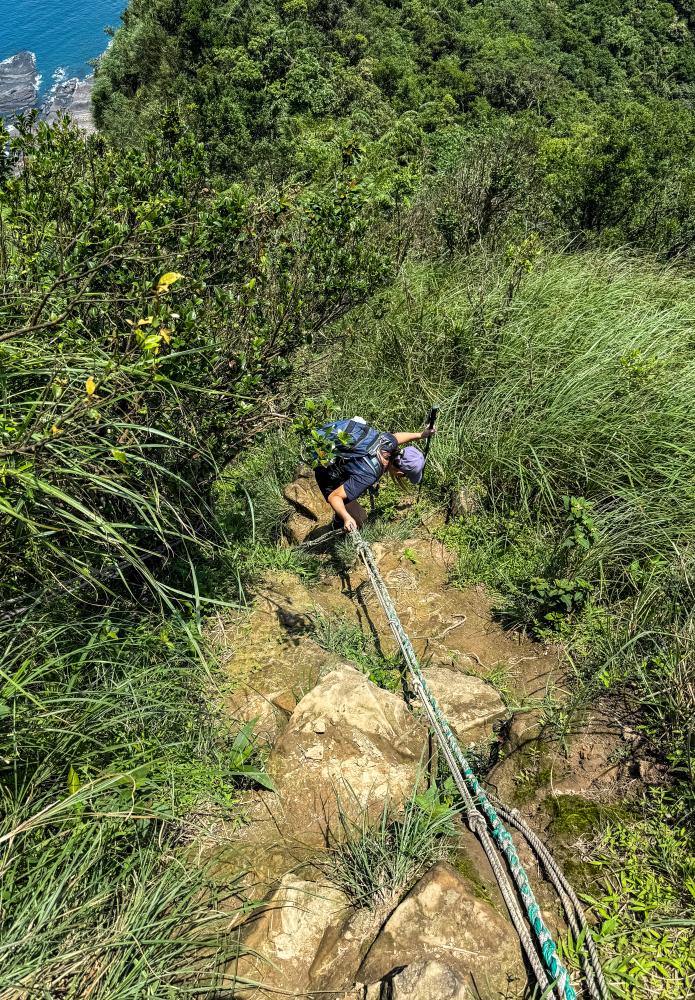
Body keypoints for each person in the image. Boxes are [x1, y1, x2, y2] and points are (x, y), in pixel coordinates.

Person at [314, 418, 435, 532]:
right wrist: (346, 518)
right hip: (327, 472)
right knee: (361, 519)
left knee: (354, 494)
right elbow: (334, 497)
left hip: (330, 448)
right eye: (405, 476)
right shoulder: (370, 474)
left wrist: (420, 435)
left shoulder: (387, 443)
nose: (403, 477)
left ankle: (343, 512)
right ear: (400, 472)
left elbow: (397, 437)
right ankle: (338, 524)